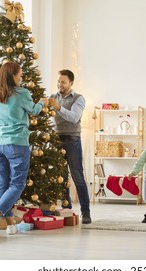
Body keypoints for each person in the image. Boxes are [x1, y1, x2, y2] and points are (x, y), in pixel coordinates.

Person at [0, 62, 49, 236]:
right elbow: (34, 111)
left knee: (1, 185)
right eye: (19, 75)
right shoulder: (22, 93)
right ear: (12, 76)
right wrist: (42, 102)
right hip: (17, 144)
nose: (21, 78)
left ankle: (10, 225)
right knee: (17, 184)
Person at [48, 69, 91, 224]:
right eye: (59, 81)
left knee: (77, 177)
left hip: (72, 140)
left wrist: (59, 108)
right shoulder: (52, 97)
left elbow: (74, 118)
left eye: (63, 82)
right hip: (55, 140)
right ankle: (67, 210)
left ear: (71, 83)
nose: (60, 84)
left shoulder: (78, 98)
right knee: (61, 178)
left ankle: (86, 212)